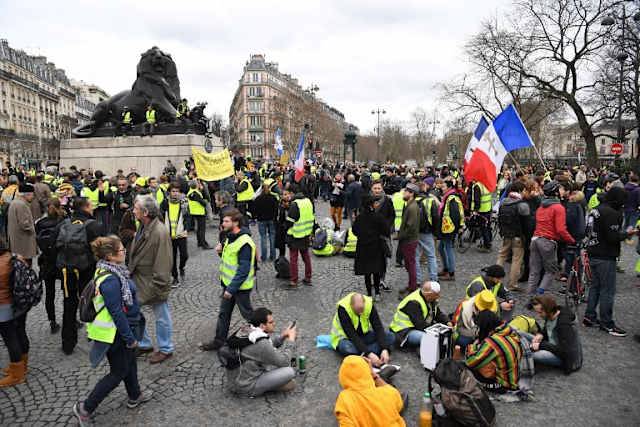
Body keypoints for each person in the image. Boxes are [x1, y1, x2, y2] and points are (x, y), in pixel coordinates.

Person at [72, 235, 151, 425]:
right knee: (118, 372)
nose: (125, 252)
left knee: (130, 363)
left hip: (119, 330)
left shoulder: (113, 271)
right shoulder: (110, 280)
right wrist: (129, 337)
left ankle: (135, 395)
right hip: (114, 334)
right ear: (110, 255)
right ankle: (85, 408)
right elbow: (117, 313)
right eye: (122, 250)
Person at [583, 186, 635, 337]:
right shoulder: (612, 213)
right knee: (608, 291)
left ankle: (589, 316)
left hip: (592, 252)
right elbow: (612, 237)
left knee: (595, 287)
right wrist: (627, 234)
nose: (624, 204)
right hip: (605, 255)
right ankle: (607, 323)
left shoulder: (596, 209)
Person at [201, 209, 255, 351]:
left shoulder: (244, 242)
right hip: (228, 285)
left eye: (226, 221)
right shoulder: (229, 237)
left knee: (250, 316)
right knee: (224, 314)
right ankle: (219, 341)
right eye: (223, 220)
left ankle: (263, 339)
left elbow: (243, 270)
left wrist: (231, 289)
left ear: (235, 223)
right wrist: (220, 253)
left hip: (240, 288)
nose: (223, 223)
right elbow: (230, 261)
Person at [57, 197, 105, 355]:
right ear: (86, 208)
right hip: (88, 271)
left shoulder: (64, 224)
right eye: (91, 205)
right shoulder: (94, 226)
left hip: (68, 271)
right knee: (92, 302)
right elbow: (103, 250)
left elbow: (53, 246)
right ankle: (96, 337)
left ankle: (67, 343)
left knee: (69, 305)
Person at [129, 195, 174, 364]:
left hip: (154, 282)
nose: (133, 211)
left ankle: (166, 348)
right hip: (139, 279)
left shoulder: (159, 232)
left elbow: (163, 262)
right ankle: (145, 343)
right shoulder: (143, 226)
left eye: (136, 209)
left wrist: (159, 285)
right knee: (134, 311)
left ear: (145, 212)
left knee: (162, 316)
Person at [226, 307, 297, 397]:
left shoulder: (249, 330)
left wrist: (282, 336)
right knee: (290, 372)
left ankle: (271, 384)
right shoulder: (261, 343)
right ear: (262, 326)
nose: (274, 324)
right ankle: (268, 387)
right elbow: (284, 362)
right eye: (271, 322)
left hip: (234, 380)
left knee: (275, 365)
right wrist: (291, 339)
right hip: (246, 386)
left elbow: (266, 349)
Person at [527, 181, 575, 297]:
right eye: (560, 189)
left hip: (535, 240)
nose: (562, 191)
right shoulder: (558, 208)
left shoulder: (541, 207)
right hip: (547, 242)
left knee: (534, 271)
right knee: (550, 271)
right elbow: (560, 230)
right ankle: (538, 297)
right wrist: (572, 240)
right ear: (556, 193)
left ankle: (530, 298)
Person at [334, 355, 406, 427]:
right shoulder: (389, 393)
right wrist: (373, 374)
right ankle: (382, 375)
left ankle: (383, 375)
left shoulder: (344, 399)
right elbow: (397, 403)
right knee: (398, 396)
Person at [330, 292, 395, 366]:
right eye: (357, 312)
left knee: (391, 336)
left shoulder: (369, 305)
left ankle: (363, 353)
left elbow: (378, 327)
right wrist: (368, 353)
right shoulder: (343, 309)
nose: (360, 314)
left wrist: (384, 349)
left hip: (363, 335)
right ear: (351, 305)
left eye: (362, 310)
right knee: (347, 348)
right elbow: (352, 335)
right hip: (345, 339)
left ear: (364, 303)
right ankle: (368, 353)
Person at [464, 310, 522, 393]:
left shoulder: (493, 342)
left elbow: (470, 362)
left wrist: (472, 346)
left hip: (503, 386)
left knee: (462, 367)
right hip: (514, 380)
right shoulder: (509, 331)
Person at [523, 295, 583, 373]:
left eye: (540, 312)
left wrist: (541, 345)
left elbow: (564, 351)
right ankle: (523, 348)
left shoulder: (564, 324)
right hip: (550, 345)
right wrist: (540, 334)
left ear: (548, 309)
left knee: (531, 355)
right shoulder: (553, 312)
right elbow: (547, 328)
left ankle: (522, 352)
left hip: (563, 357)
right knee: (520, 333)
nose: (539, 315)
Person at [0, 246, 30, 387]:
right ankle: (23, 365)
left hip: (4, 306)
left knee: (10, 338)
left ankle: (17, 374)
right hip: (20, 303)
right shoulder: (15, 256)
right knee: (20, 332)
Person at [35, 199, 65, 334]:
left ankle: (52, 321)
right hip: (61, 261)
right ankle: (70, 319)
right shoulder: (63, 222)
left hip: (46, 261)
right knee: (67, 293)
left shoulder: (40, 224)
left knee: (50, 294)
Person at [390, 281, 449, 348]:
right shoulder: (413, 302)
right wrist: (437, 330)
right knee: (432, 338)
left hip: (415, 328)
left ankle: (421, 346)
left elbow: (437, 313)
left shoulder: (429, 298)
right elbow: (420, 325)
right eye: (436, 295)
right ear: (429, 294)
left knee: (436, 337)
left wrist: (447, 321)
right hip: (403, 332)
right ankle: (421, 347)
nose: (438, 296)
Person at [352, 195, 390, 301]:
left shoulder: (360, 218)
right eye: (375, 203)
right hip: (376, 247)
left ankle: (369, 294)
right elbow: (386, 231)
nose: (377, 204)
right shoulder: (378, 217)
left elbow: (354, 231)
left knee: (367, 272)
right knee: (376, 271)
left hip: (363, 247)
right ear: (371, 205)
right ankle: (377, 293)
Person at [496, 180, 529, 291]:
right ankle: (512, 284)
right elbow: (526, 223)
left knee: (501, 256)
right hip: (518, 236)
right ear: (520, 191)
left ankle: (495, 280)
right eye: (524, 190)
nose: (525, 192)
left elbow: (499, 218)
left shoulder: (503, 202)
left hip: (506, 234)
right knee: (516, 260)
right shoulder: (522, 204)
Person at [283, 185, 313, 289]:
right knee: (306, 257)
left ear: (292, 193)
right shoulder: (308, 201)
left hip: (295, 234)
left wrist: (285, 228)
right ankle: (308, 277)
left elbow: (290, 221)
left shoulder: (295, 204)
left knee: (293, 259)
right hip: (306, 233)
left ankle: (293, 280)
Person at [160, 183, 190, 287]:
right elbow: (160, 216)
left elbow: (188, 216)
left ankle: (182, 267)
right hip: (168, 235)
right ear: (169, 192)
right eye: (173, 191)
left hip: (181, 234)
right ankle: (175, 277)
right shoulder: (164, 203)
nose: (175, 193)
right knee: (171, 257)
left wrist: (186, 227)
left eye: (177, 191)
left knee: (184, 255)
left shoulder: (184, 202)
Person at [397, 183, 420, 301]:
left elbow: (410, 226)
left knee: (411, 265)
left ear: (411, 194)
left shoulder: (412, 207)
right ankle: (412, 285)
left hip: (409, 240)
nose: (403, 193)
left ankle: (412, 289)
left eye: (406, 191)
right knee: (409, 264)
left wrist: (400, 236)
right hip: (408, 239)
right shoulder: (410, 205)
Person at [415, 180, 441, 285]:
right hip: (426, 231)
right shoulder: (430, 200)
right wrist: (436, 232)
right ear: (425, 188)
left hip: (414, 232)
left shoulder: (411, 200)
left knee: (415, 257)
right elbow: (435, 217)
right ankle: (434, 278)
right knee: (431, 255)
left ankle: (417, 280)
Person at [438, 180, 464, 281]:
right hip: (445, 227)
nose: (441, 188)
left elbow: (456, 215)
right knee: (440, 248)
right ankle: (446, 268)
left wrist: (458, 228)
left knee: (448, 248)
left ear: (449, 187)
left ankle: (451, 273)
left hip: (449, 228)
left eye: (443, 186)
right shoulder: (447, 197)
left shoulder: (451, 198)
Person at [372, 179, 395, 292]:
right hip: (371, 234)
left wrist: (387, 227)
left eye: (379, 188)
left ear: (382, 189)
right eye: (375, 188)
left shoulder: (387, 201)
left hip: (384, 234)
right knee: (373, 257)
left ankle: (382, 279)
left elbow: (392, 215)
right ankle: (374, 278)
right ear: (372, 189)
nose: (377, 190)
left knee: (384, 257)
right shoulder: (368, 200)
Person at [7, 183, 37, 265]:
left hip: (17, 240)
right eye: (32, 195)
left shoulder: (15, 202)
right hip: (23, 242)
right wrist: (33, 230)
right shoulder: (21, 205)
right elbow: (25, 224)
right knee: (25, 265)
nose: (33, 197)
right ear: (27, 194)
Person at [253, 182, 279, 262]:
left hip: (261, 219)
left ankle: (263, 257)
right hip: (271, 219)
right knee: (272, 237)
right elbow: (276, 209)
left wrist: (256, 216)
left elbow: (254, 210)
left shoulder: (258, 199)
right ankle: (273, 256)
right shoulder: (273, 198)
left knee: (263, 237)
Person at [187, 180, 211, 250]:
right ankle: (203, 244)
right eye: (197, 183)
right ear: (196, 185)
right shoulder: (196, 193)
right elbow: (204, 202)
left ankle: (200, 242)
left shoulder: (192, 191)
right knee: (202, 229)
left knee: (199, 229)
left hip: (195, 211)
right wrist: (206, 201)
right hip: (200, 212)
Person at [470, 181, 493, 252]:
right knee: (488, 227)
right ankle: (488, 242)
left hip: (481, 211)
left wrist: (475, 210)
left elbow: (477, 200)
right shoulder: (487, 183)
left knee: (483, 229)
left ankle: (486, 246)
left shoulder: (477, 186)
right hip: (488, 209)